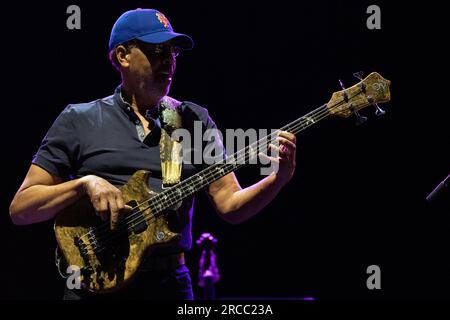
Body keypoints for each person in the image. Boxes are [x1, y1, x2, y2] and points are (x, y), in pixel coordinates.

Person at [9, 8, 297, 300]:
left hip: (169, 286)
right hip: (96, 287)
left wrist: (277, 180)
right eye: (156, 51)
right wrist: (86, 183)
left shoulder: (192, 119)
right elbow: (22, 209)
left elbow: (230, 206)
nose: (168, 62)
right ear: (122, 56)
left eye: (172, 53)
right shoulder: (78, 119)